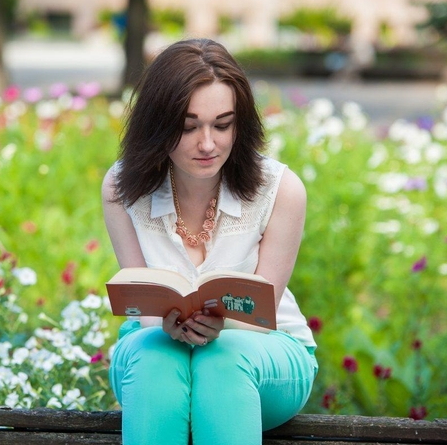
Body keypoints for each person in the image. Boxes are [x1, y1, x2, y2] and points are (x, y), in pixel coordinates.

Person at [102, 38, 318, 445]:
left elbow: (262, 313)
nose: (207, 143)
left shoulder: (281, 189)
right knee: (155, 359)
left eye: (222, 124)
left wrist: (218, 326)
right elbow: (142, 306)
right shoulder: (121, 186)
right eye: (187, 127)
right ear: (158, 125)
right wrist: (170, 326)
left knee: (222, 359)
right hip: (155, 348)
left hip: (265, 354)